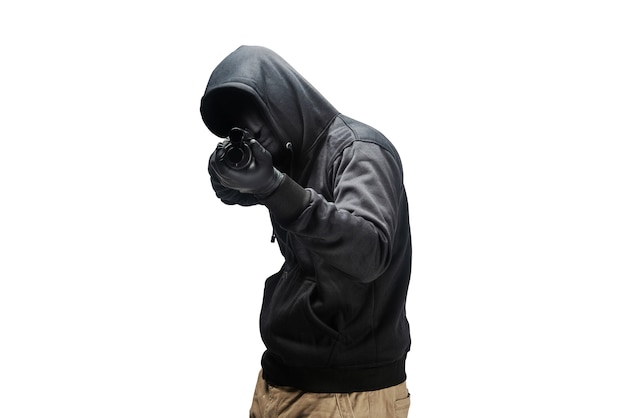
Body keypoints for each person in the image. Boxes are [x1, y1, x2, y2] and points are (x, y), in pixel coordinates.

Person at [201, 45, 412, 418]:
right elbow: (256, 191)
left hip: (346, 395)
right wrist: (235, 180)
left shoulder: (360, 152)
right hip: (280, 379)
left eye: (254, 133)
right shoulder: (291, 155)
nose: (252, 145)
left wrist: (274, 188)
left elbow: (369, 252)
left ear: (281, 105)